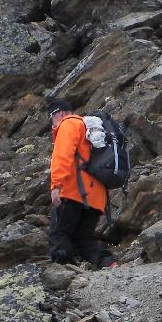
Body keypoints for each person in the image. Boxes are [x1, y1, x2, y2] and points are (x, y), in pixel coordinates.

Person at [47, 97, 117, 269]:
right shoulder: (90, 129)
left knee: (59, 234)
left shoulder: (68, 124)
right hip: (96, 197)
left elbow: (62, 156)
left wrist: (56, 185)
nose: (52, 124)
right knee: (82, 239)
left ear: (59, 113)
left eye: (51, 118)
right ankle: (109, 263)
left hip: (74, 193)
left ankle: (62, 272)